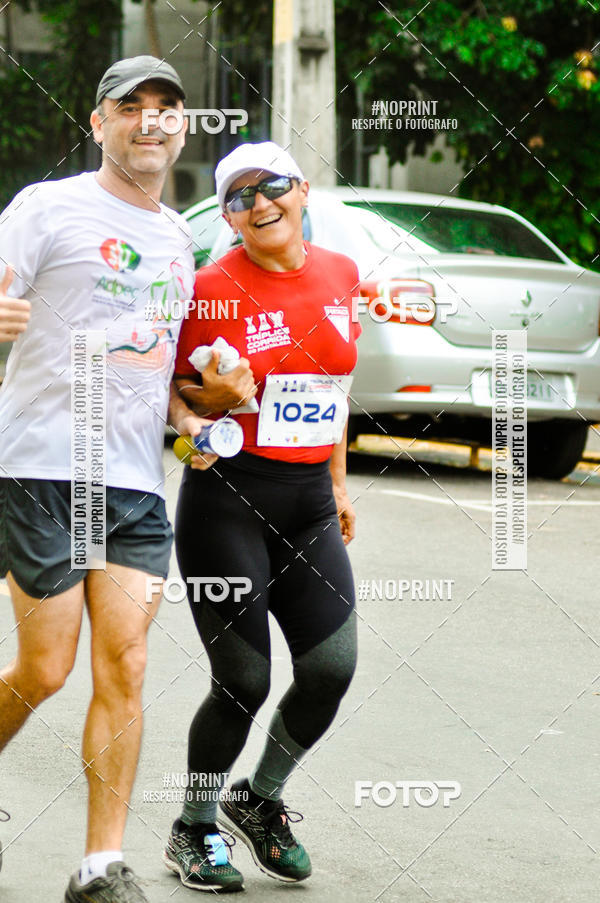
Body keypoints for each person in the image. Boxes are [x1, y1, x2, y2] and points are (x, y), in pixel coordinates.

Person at [0, 56, 250, 903]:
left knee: (129, 663)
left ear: (183, 126)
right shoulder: (48, 206)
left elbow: (163, 367)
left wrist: (196, 421)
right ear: (98, 121)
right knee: (44, 668)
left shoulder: (181, 237)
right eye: (130, 105)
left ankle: (99, 865)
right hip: (44, 463)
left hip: (136, 479)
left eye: (167, 107)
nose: (151, 119)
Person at [165, 141, 360, 893]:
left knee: (331, 669)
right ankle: (194, 826)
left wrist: (339, 485)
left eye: (272, 186)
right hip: (227, 503)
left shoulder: (342, 274)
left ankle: (261, 797)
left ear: (302, 189)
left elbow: (334, 391)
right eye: (240, 197)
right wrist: (196, 424)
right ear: (228, 216)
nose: (260, 203)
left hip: (309, 500)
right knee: (243, 679)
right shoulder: (208, 289)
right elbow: (169, 402)